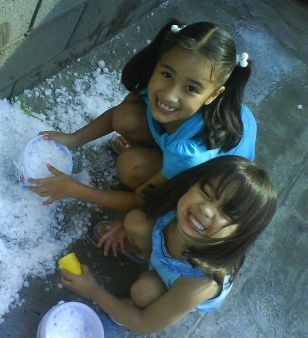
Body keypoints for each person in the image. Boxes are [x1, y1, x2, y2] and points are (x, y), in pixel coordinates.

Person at [28, 19, 256, 212]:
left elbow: (140, 199)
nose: (169, 95)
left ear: (213, 95)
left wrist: (73, 189)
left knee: (130, 167)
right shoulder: (153, 84)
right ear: (159, 63)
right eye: (167, 74)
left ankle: (155, 170)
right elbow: (118, 115)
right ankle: (155, 153)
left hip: (203, 185)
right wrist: (73, 139)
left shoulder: (190, 152)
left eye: (191, 89)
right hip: (178, 143)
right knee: (126, 116)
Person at [61, 156, 277, 334]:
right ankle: (146, 259)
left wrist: (93, 291)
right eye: (206, 192)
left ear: (239, 235)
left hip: (178, 285)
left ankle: (128, 311)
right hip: (163, 258)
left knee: (144, 291)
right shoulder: (178, 210)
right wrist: (123, 227)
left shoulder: (201, 282)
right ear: (193, 182)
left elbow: (144, 325)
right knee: (135, 221)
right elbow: (144, 213)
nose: (207, 210)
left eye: (227, 213)